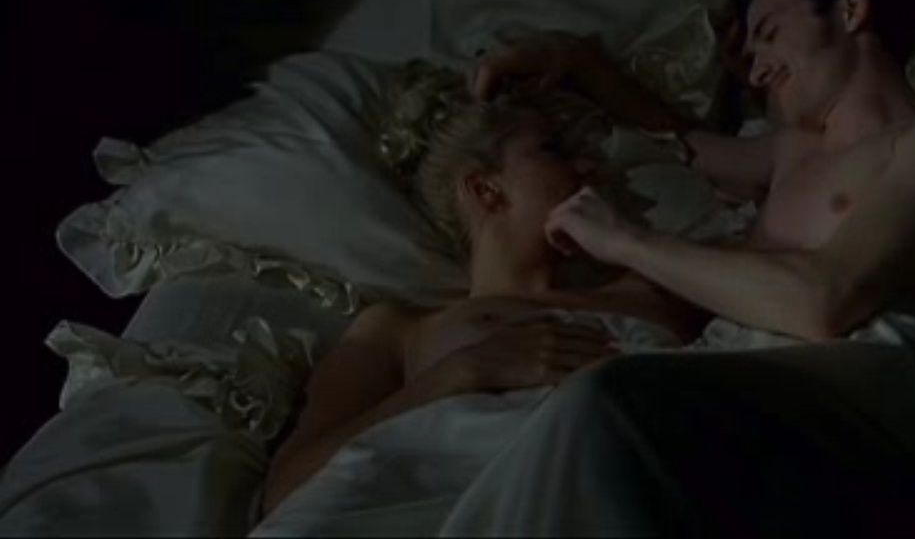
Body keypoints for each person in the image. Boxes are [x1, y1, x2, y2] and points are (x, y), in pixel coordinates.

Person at [438, 0, 915, 534]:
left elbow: (827, 299)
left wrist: (627, 241)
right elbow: (681, 141)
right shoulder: (791, 153)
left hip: (868, 400)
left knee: (605, 403)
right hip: (744, 394)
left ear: (851, 8)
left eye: (769, 33)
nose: (758, 70)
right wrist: (578, 61)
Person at [259, 64, 709, 517]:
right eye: (552, 150)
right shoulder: (399, 329)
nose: (588, 167)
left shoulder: (649, 287)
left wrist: (585, 63)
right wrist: (460, 374)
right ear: (485, 189)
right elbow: (287, 490)